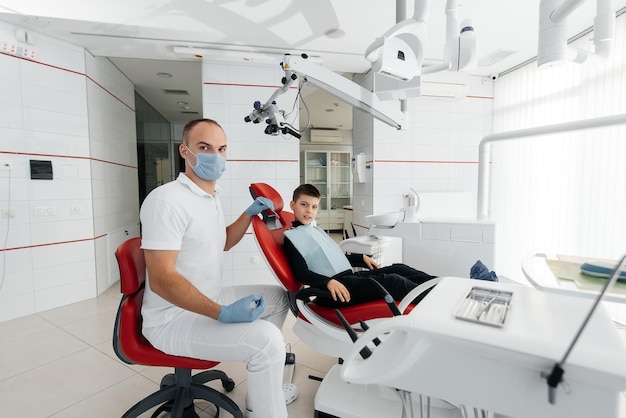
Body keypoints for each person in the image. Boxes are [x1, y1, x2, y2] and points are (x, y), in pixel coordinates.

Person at [140, 118, 290, 418]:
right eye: (204, 147)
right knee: (268, 342)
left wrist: (248, 215)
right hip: (172, 319)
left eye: (221, 149)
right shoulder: (166, 201)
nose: (215, 156)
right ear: (185, 151)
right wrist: (222, 313)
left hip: (206, 297)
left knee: (278, 297)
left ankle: (262, 388)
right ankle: (266, 400)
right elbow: (161, 280)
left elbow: (222, 242)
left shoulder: (210, 196)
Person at [283, 184, 438, 308]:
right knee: (393, 281)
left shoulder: (315, 230)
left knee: (399, 268)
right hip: (335, 292)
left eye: (314, 206)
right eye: (304, 204)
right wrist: (328, 282)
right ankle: (435, 303)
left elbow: (333, 256)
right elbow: (301, 273)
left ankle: (441, 286)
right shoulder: (292, 238)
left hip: (347, 279)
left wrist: (360, 258)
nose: (309, 211)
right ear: (292, 204)